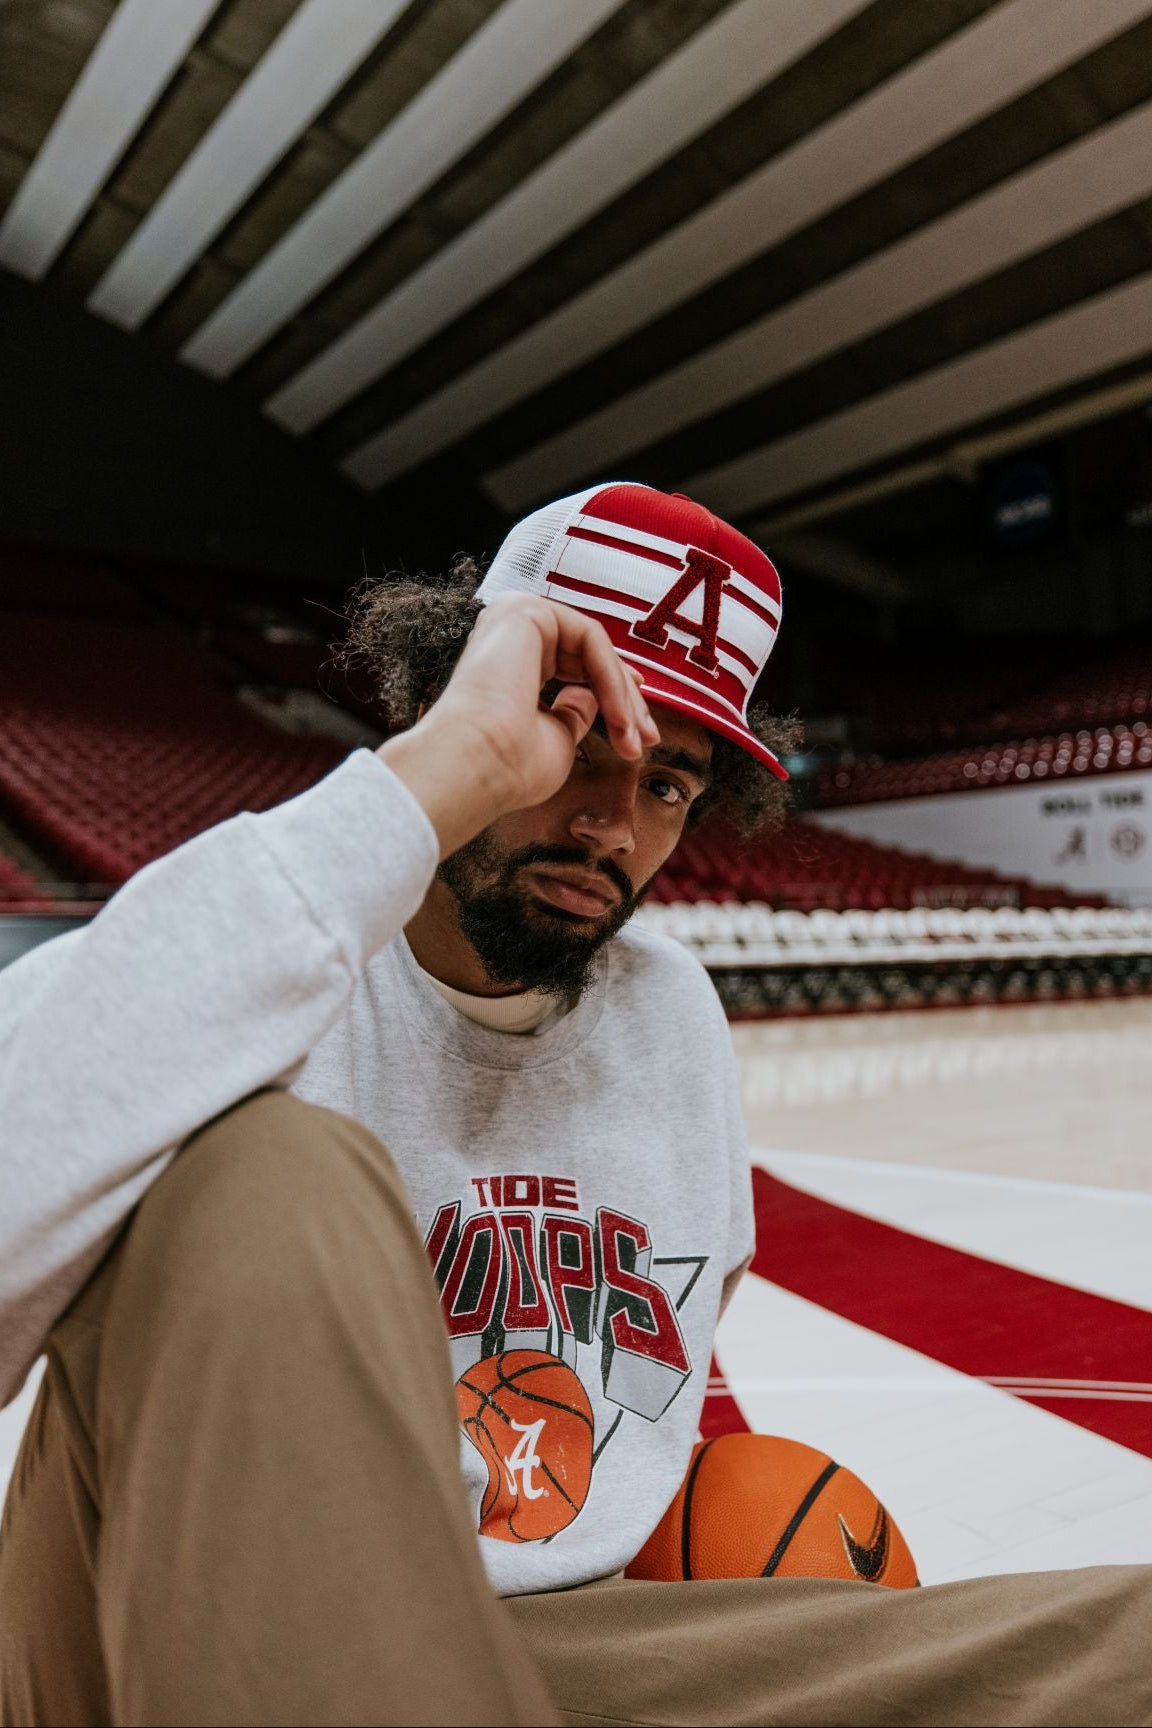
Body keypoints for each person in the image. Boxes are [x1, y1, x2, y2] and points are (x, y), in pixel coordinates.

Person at [0, 482, 1146, 1728]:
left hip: (551, 1654)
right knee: (269, 1169)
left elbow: (655, 1394)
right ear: (457, 695)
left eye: (668, 784)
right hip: (188, 1623)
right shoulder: (260, 962)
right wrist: (451, 768)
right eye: (572, 740)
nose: (609, 822)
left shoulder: (672, 1020)